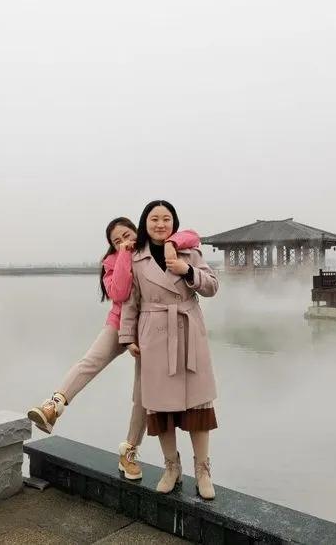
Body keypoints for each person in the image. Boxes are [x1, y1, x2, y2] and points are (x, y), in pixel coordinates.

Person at [27, 216, 200, 480]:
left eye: (127, 235)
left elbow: (192, 236)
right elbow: (119, 294)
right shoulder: (111, 262)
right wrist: (123, 255)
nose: (123, 242)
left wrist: (170, 243)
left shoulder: (152, 248)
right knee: (90, 361)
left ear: (137, 231)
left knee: (143, 394)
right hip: (119, 324)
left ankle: (129, 451)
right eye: (116, 240)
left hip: (151, 330)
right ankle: (53, 406)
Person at [119, 200, 219, 499]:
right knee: (160, 405)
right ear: (145, 223)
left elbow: (212, 287)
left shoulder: (191, 253)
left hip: (188, 332)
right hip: (154, 335)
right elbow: (131, 300)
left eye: (166, 219)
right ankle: (171, 467)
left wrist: (187, 270)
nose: (160, 224)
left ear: (174, 222)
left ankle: (202, 470)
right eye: (154, 219)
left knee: (198, 405)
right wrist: (127, 336)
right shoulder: (136, 258)